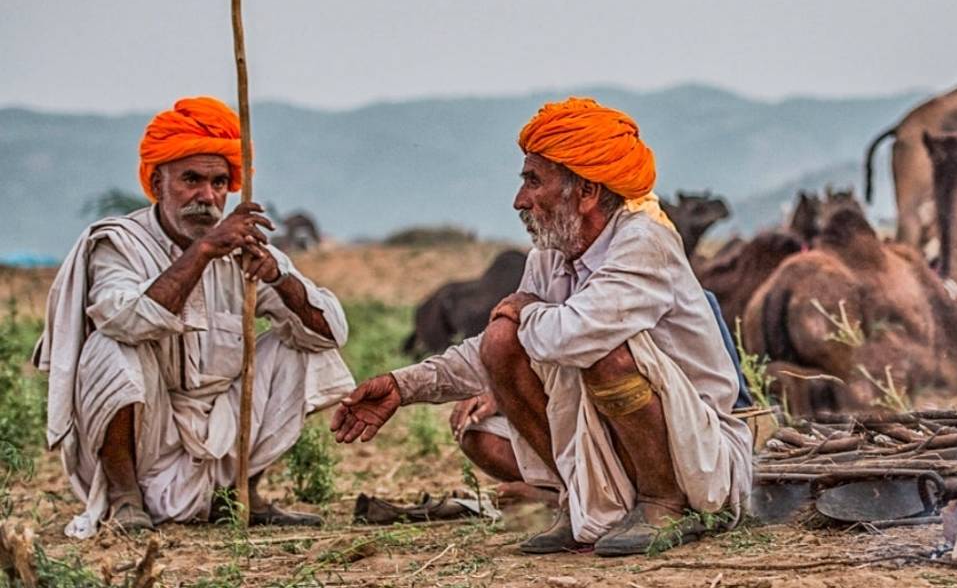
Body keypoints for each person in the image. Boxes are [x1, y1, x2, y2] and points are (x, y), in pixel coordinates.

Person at [333, 97, 752, 556]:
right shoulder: (550, 257)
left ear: (587, 191)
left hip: (700, 458)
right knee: (500, 342)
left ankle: (662, 505)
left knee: (603, 353)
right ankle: (582, 503)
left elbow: (572, 336)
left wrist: (525, 310)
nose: (520, 200)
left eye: (534, 181)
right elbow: (502, 346)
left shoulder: (643, 242)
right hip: (617, 447)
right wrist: (402, 385)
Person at [35, 97, 354, 538]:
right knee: (110, 344)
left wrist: (280, 278)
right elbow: (128, 320)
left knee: (303, 347)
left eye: (220, 182)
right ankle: (126, 500)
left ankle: (243, 494)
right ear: (157, 181)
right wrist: (203, 252)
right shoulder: (119, 244)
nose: (207, 196)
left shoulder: (244, 247)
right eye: (192, 179)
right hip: (148, 442)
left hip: (218, 437)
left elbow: (331, 334)